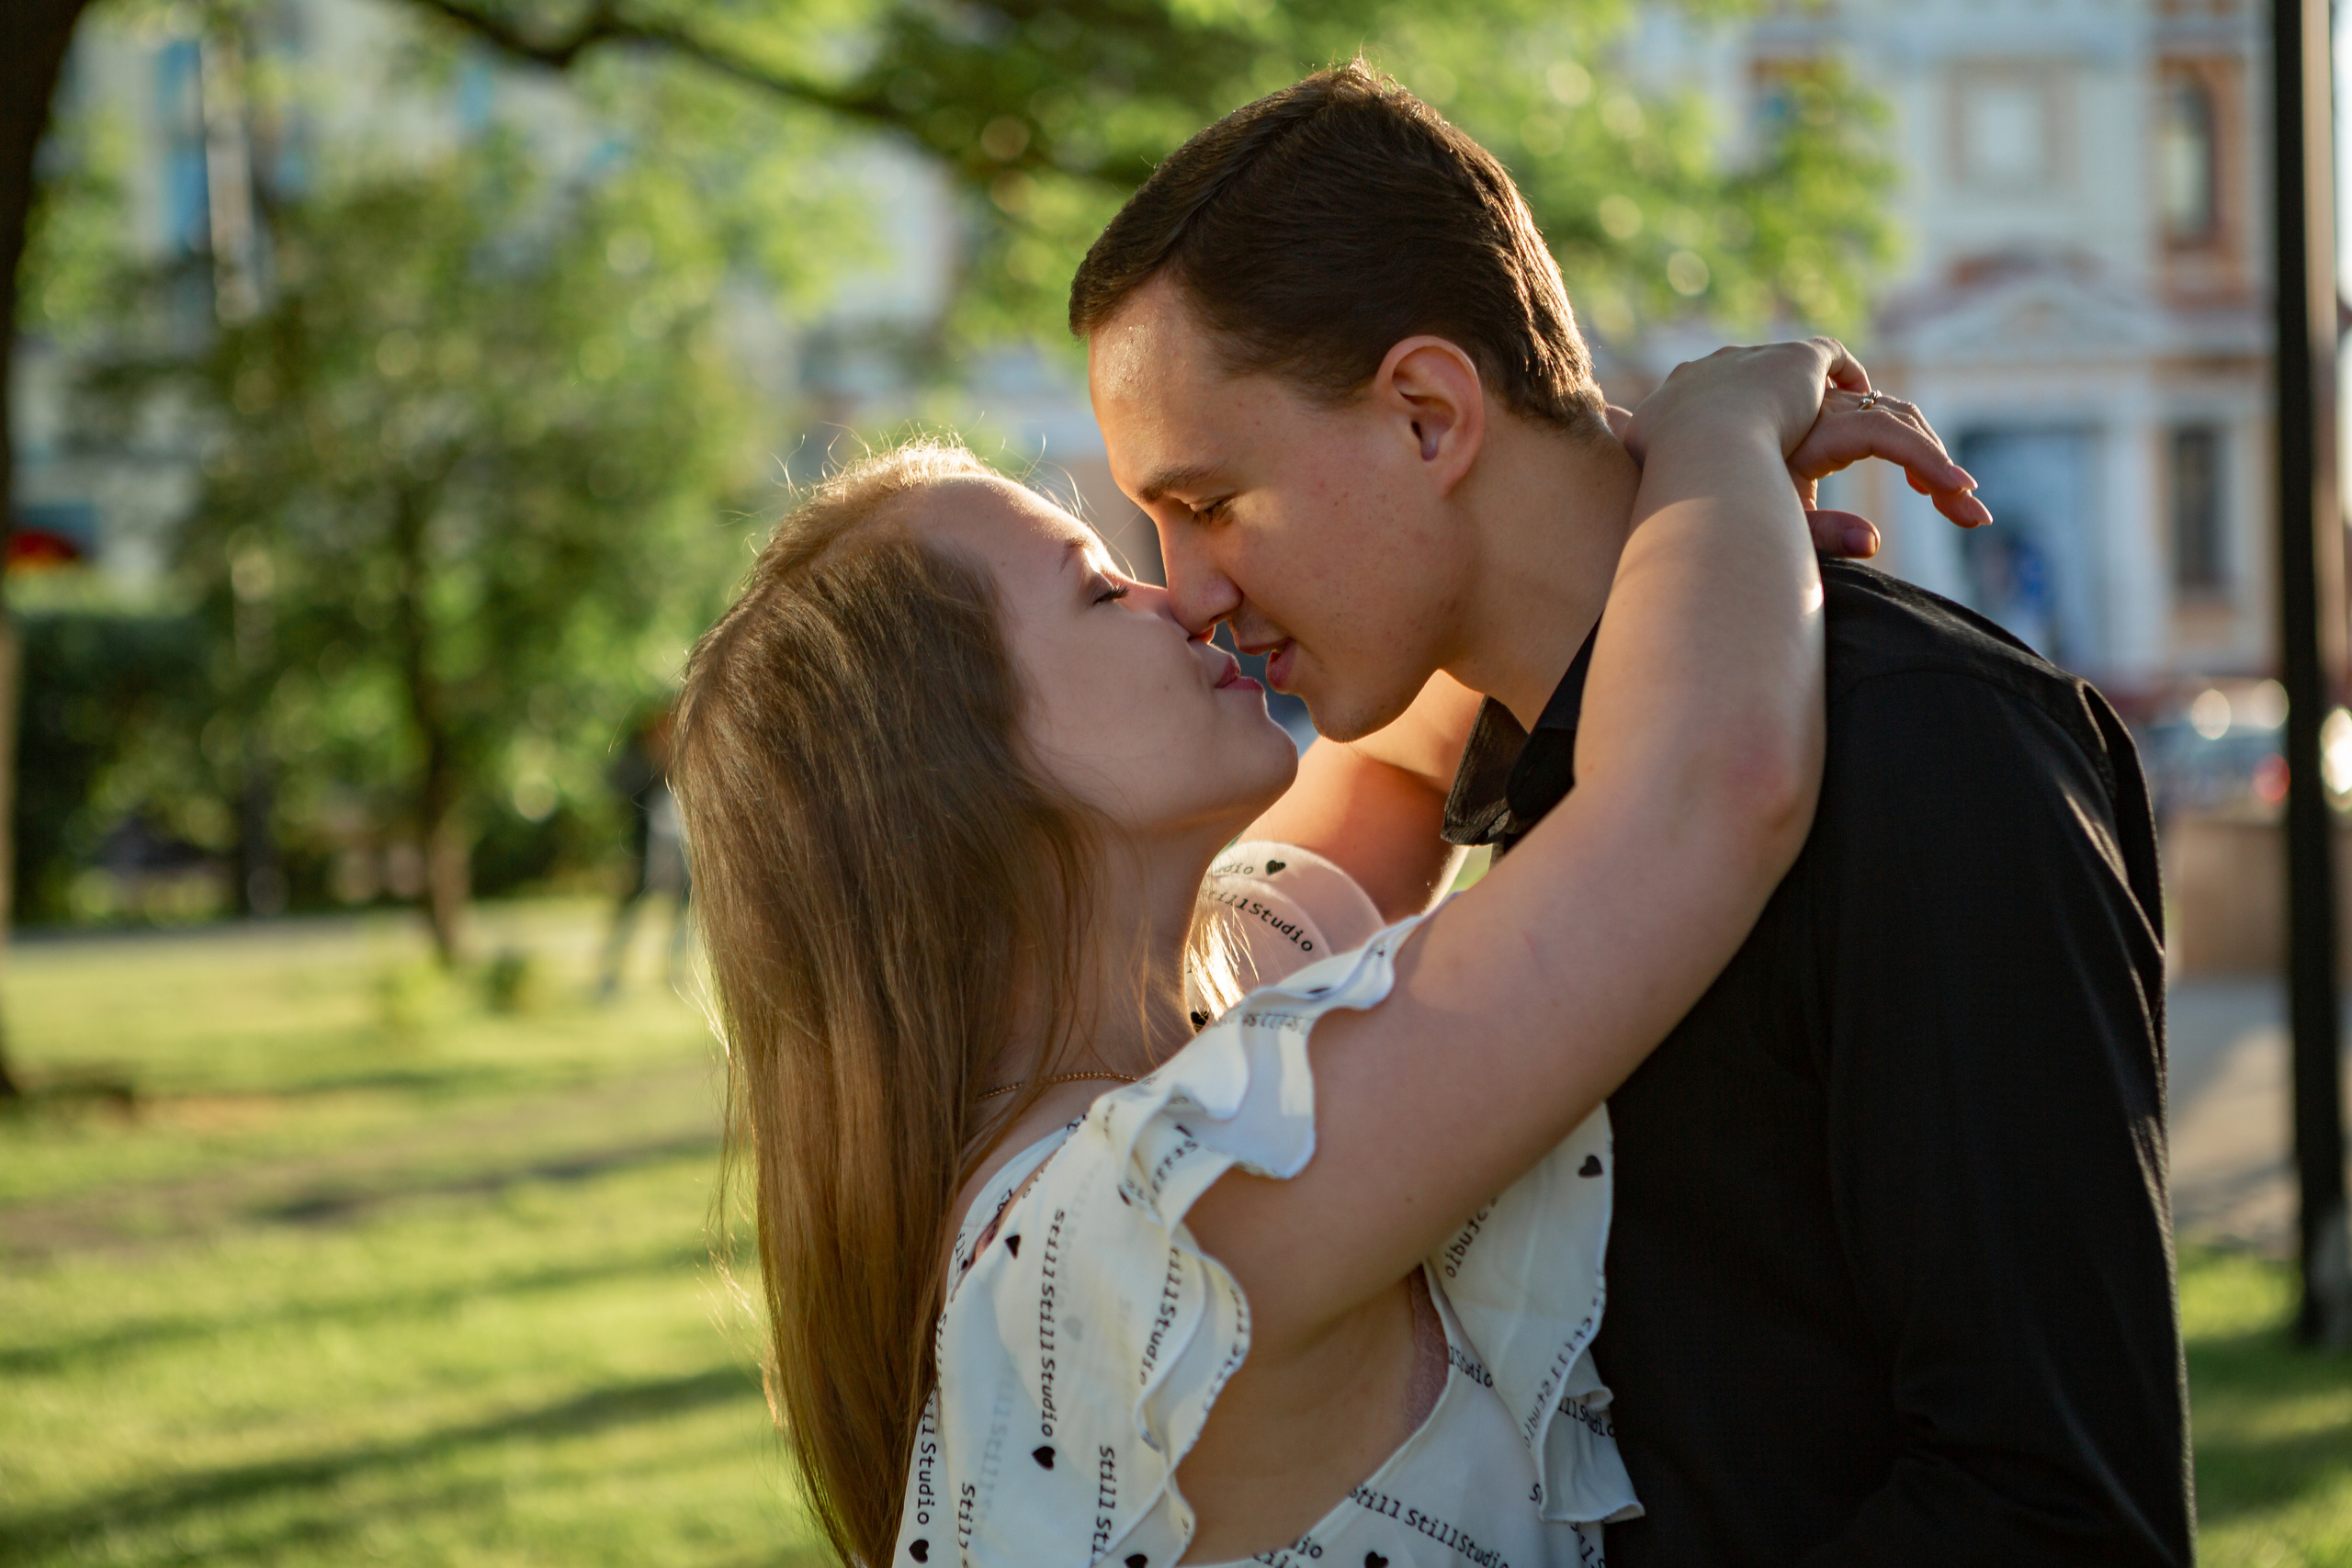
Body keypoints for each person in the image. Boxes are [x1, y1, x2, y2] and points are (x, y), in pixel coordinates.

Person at [1073, 62, 2190, 1567]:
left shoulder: (1921, 749)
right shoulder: (1539, 814)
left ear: (1425, 415)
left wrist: (1698, 459)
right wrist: (1698, 460)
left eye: (1205, 502)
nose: (1188, 594)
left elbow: (2056, 1512)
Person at [671, 340, 1955, 1566]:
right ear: (964, 774)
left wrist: (1640, 509)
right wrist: (1721, 431)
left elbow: (1418, 729)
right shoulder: (1159, 1223)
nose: (1178, 596)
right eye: (1098, 586)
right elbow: (1705, 797)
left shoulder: (1229, 974)